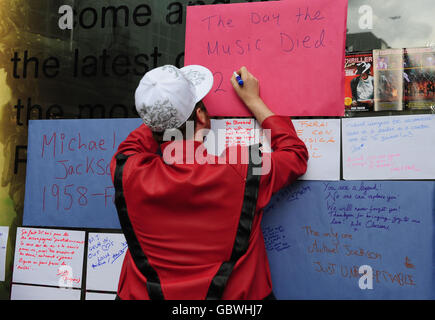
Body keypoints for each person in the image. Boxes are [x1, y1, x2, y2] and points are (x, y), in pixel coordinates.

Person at [110, 64, 308, 300]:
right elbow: (295, 153)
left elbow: (133, 146)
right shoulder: (243, 168)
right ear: (202, 116)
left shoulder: (128, 173)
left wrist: (162, 111)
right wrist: (253, 100)